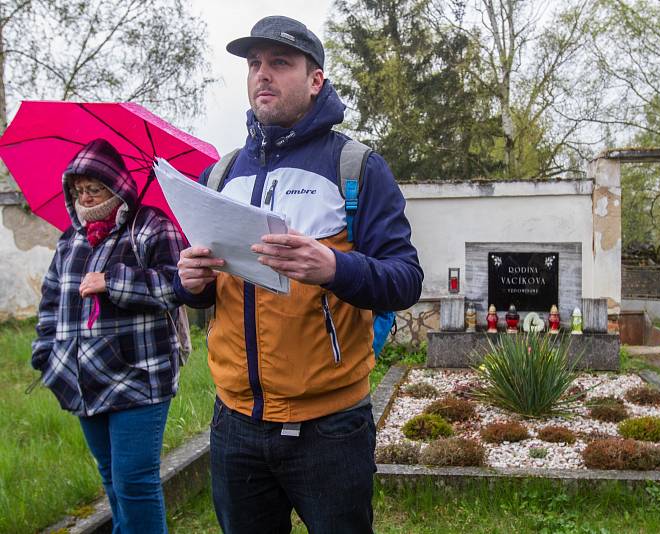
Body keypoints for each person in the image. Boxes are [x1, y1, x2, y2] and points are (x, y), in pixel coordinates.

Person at [174, 15, 423, 534]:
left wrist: (334, 266)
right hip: (235, 423)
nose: (262, 74)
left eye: (279, 63)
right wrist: (190, 282)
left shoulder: (355, 167)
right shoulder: (221, 175)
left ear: (316, 80)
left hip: (330, 428)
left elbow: (405, 280)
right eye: (254, 64)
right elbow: (205, 295)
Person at [31, 138, 186, 534]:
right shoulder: (71, 239)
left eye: (94, 188)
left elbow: (179, 286)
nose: (85, 197)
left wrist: (113, 281)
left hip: (139, 377)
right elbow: (50, 303)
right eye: (78, 189)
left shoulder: (151, 226)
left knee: (134, 482)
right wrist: (45, 356)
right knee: (112, 483)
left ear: (117, 185)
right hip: (82, 383)